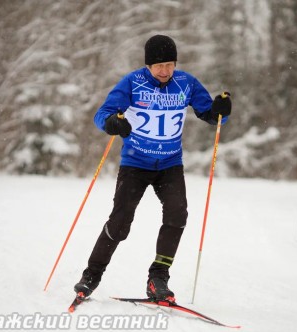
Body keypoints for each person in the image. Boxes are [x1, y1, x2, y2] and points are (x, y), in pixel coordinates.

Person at [74, 34, 231, 302]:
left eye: (170, 64)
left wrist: (221, 110)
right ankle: (91, 276)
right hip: (135, 163)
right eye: (159, 66)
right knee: (120, 222)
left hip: (170, 164)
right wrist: (112, 123)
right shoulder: (132, 83)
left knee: (177, 215)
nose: (165, 71)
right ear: (148, 65)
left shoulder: (186, 83)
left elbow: (211, 115)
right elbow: (102, 114)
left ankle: (158, 277)